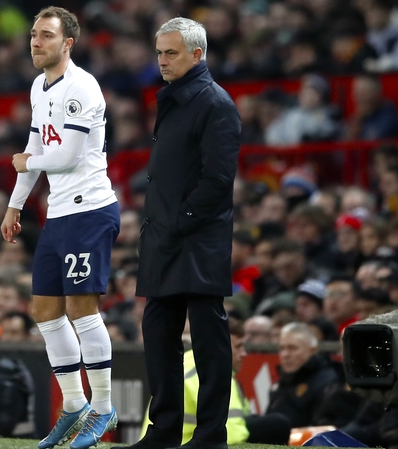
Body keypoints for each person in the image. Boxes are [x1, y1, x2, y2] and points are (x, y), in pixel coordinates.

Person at [0, 7, 120, 449]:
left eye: (46, 35)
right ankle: (73, 405)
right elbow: (36, 145)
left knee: (81, 309)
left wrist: (26, 162)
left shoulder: (82, 87)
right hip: (60, 212)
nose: (35, 42)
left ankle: (103, 407)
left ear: (68, 43)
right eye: (33, 34)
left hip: (89, 210)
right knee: (45, 310)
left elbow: (65, 156)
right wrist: (15, 204)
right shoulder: (39, 85)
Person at [121, 17, 241, 449]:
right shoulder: (175, 99)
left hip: (197, 237)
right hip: (165, 237)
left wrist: (180, 220)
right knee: (158, 335)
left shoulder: (215, 103)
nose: (162, 61)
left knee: (209, 339)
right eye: (159, 52)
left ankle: (211, 435)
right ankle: (165, 429)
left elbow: (218, 180)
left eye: (171, 53)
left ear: (198, 54)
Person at [139, 318, 291, 445]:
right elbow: (233, 436)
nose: (244, 353)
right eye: (238, 346)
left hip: (169, 442)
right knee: (277, 424)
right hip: (184, 444)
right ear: (221, 346)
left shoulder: (187, 362)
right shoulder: (213, 373)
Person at [265, 322, 343, 428]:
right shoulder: (279, 385)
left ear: (312, 350)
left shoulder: (328, 382)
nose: (285, 354)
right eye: (282, 348)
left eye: (292, 348)